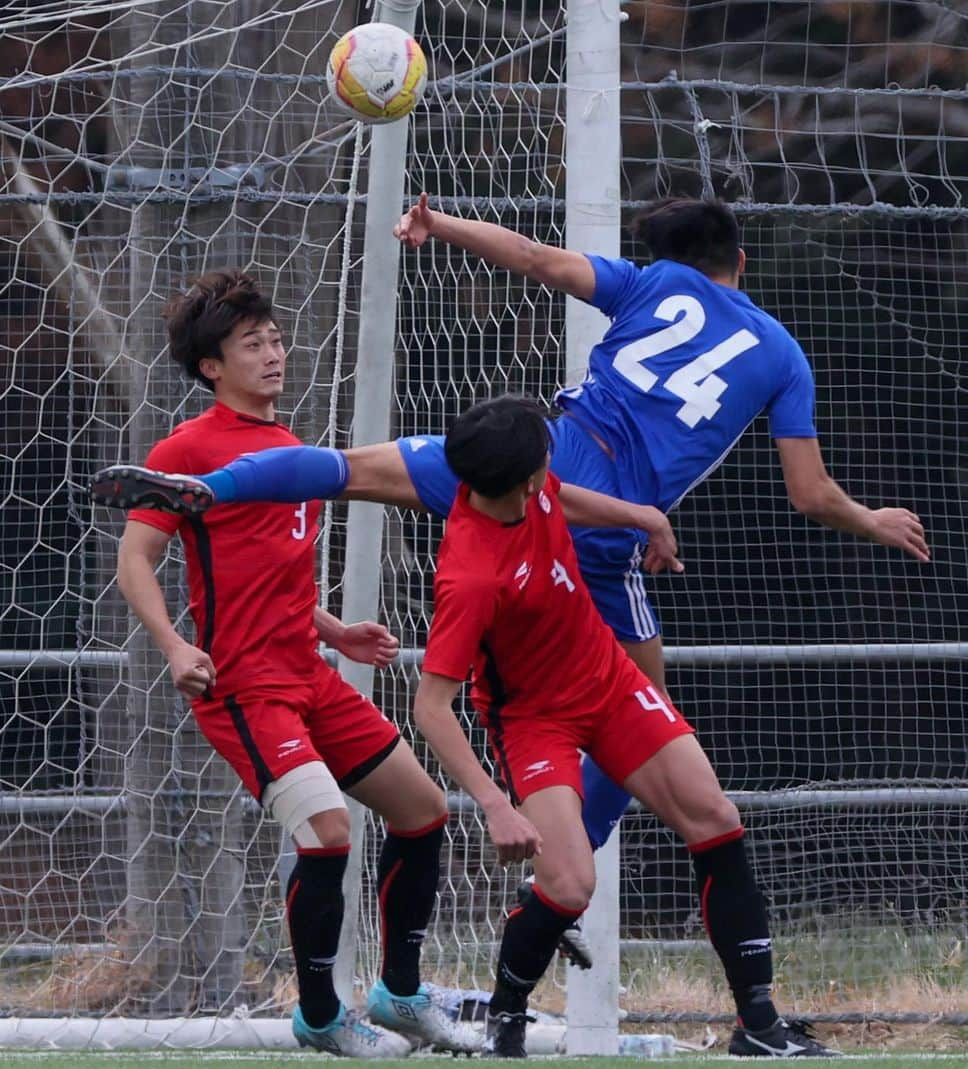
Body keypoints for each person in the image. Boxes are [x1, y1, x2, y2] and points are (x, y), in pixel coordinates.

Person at [89, 198, 928, 882]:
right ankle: (564, 874)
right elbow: (809, 494)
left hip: (520, 457)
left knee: (347, 469)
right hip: (591, 525)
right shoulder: (783, 355)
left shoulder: (651, 284)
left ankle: (214, 489)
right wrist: (871, 519)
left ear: (673, 260)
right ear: (740, 263)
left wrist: (439, 223)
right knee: (645, 718)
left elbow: (533, 257)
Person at [108, 267, 485, 1058]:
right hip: (244, 687)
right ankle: (320, 1013)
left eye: (276, 338)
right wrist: (177, 645)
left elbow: (267, 572)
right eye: (253, 343)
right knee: (325, 831)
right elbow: (134, 560)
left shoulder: (291, 449)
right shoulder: (188, 448)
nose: (274, 353)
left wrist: (335, 631)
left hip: (310, 672)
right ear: (213, 366)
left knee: (423, 810)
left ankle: (402, 994)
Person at [413, 394, 838, 1058]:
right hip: (534, 721)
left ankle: (759, 1024)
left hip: (610, 684)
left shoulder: (527, 489)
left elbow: (568, 497)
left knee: (716, 816)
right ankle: (506, 1015)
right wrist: (496, 807)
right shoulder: (470, 573)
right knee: (571, 883)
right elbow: (429, 707)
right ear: (520, 477)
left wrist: (643, 515)